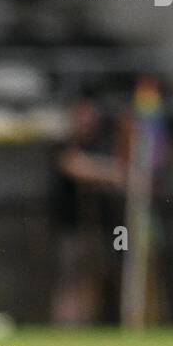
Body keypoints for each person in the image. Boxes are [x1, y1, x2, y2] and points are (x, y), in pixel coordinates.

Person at [50, 97, 124, 325]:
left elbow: (118, 174)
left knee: (94, 279)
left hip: (98, 226)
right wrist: (105, 171)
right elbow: (75, 166)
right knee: (69, 279)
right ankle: (65, 326)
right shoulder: (63, 144)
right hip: (70, 227)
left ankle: (86, 323)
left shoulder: (101, 144)